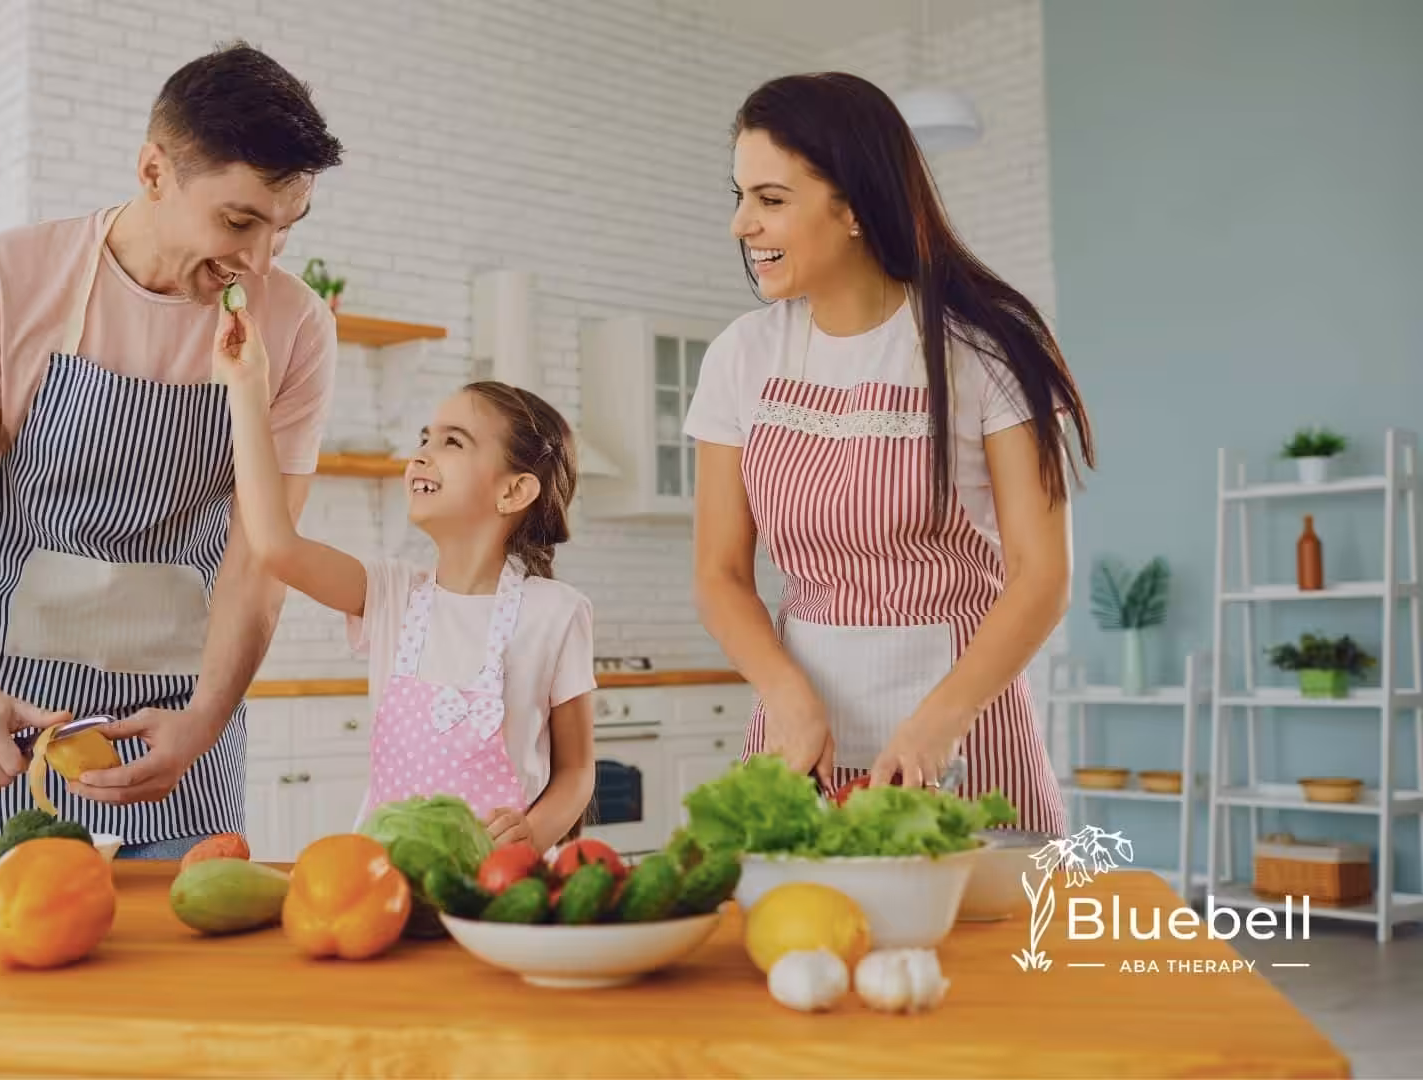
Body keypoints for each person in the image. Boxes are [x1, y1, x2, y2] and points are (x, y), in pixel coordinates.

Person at [0, 43, 343, 859]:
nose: (260, 259)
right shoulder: (13, 277)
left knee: (177, 974)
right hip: (6, 705)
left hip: (177, 712)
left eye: (284, 229)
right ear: (152, 173)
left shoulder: (298, 327)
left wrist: (205, 720)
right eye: (238, 221)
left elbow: (258, 559)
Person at [684, 72, 1096, 836]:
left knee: (980, 951)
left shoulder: (985, 352)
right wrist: (786, 694)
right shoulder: (742, 357)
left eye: (771, 199)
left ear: (851, 206)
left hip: (963, 729)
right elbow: (720, 574)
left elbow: (1042, 579)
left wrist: (939, 723)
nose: (742, 224)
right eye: (740, 197)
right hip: (798, 734)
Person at [213, 305, 598, 854]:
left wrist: (531, 836)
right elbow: (276, 545)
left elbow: (577, 770)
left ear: (513, 491)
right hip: (386, 875)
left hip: (503, 882)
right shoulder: (392, 594)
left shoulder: (558, 612)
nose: (421, 454)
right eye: (424, 437)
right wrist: (248, 390)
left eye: (453, 442)